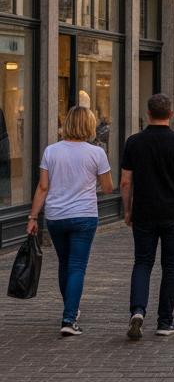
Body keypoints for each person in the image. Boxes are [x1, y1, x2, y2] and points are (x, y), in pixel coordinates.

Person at [121, 93, 174, 340]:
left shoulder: (134, 142)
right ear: (171, 114)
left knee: (142, 263)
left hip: (143, 212)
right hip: (173, 213)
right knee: (170, 266)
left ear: (148, 113)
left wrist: (128, 210)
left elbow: (125, 182)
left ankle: (137, 311)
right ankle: (165, 321)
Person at [25, 106, 114, 336]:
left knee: (65, 264)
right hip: (84, 215)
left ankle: (70, 309)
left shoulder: (51, 151)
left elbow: (43, 187)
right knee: (77, 267)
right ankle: (69, 317)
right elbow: (108, 188)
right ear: (89, 125)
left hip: (56, 216)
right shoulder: (97, 153)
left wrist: (33, 217)